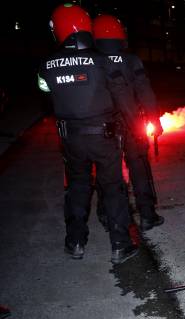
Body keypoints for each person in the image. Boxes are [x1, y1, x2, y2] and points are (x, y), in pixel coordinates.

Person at [38, 3, 138, 264]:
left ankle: (75, 243)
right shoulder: (102, 62)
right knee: (113, 189)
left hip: (71, 139)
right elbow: (123, 97)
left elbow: (47, 99)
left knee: (77, 188)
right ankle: (120, 245)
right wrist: (135, 127)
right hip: (104, 137)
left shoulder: (46, 66)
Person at [92, 14, 165, 231]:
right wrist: (154, 119)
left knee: (107, 172)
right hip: (132, 124)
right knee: (139, 168)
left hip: (104, 128)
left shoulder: (93, 61)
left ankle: (108, 216)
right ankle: (147, 215)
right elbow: (145, 92)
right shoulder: (132, 60)